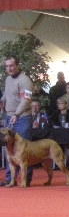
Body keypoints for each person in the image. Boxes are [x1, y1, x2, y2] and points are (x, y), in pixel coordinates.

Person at [0, 55, 34, 186]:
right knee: (9, 150)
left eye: (11, 66)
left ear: (17, 66)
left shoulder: (25, 81)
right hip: (9, 116)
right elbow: (7, 94)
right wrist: (2, 101)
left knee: (24, 150)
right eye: (7, 66)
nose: (9, 68)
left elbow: (26, 100)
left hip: (22, 117)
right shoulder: (8, 79)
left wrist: (17, 114)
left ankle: (26, 180)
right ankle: (10, 179)